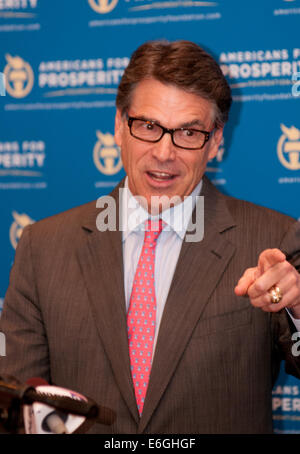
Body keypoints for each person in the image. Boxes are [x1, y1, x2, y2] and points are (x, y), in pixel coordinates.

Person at [1, 40, 300, 434]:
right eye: (148, 126)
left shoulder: (273, 240)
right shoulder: (44, 246)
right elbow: (18, 405)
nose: (164, 152)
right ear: (118, 126)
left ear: (215, 141)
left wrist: (297, 307)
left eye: (189, 132)